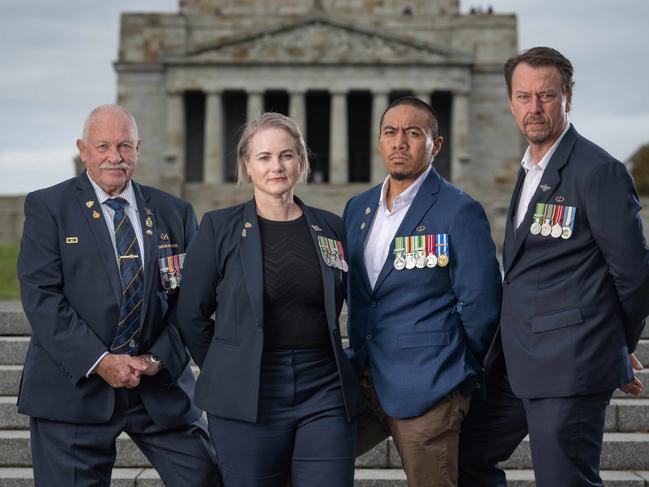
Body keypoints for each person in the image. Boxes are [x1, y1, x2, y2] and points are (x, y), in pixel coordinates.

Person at [458, 46, 649, 487]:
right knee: (465, 454)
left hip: (570, 363)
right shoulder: (530, 168)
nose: (534, 107)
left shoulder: (597, 171)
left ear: (568, 98)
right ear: (510, 103)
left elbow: (635, 274)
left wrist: (616, 342)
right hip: (516, 361)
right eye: (524, 97)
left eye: (546, 96)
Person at [17, 105, 219, 486]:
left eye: (125, 146)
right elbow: (42, 297)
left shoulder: (174, 213)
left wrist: (156, 359)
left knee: (207, 476)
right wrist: (101, 360)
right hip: (74, 389)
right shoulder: (49, 207)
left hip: (156, 387)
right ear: (83, 149)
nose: (115, 157)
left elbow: (191, 302)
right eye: (104, 146)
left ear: (138, 149)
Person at [177, 112, 362, 487]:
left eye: (287, 155)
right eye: (264, 157)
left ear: (302, 161)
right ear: (247, 165)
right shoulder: (218, 228)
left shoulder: (331, 226)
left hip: (323, 387)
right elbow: (190, 315)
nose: (276, 166)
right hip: (249, 391)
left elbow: (353, 300)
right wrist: (230, 364)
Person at [343, 96, 502, 486]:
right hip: (362, 380)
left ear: (436, 145)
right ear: (379, 141)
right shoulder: (357, 208)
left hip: (430, 385)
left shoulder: (458, 209)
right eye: (390, 132)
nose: (400, 142)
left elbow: (482, 303)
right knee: (308, 466)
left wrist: (452, 366)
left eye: (414, 133)